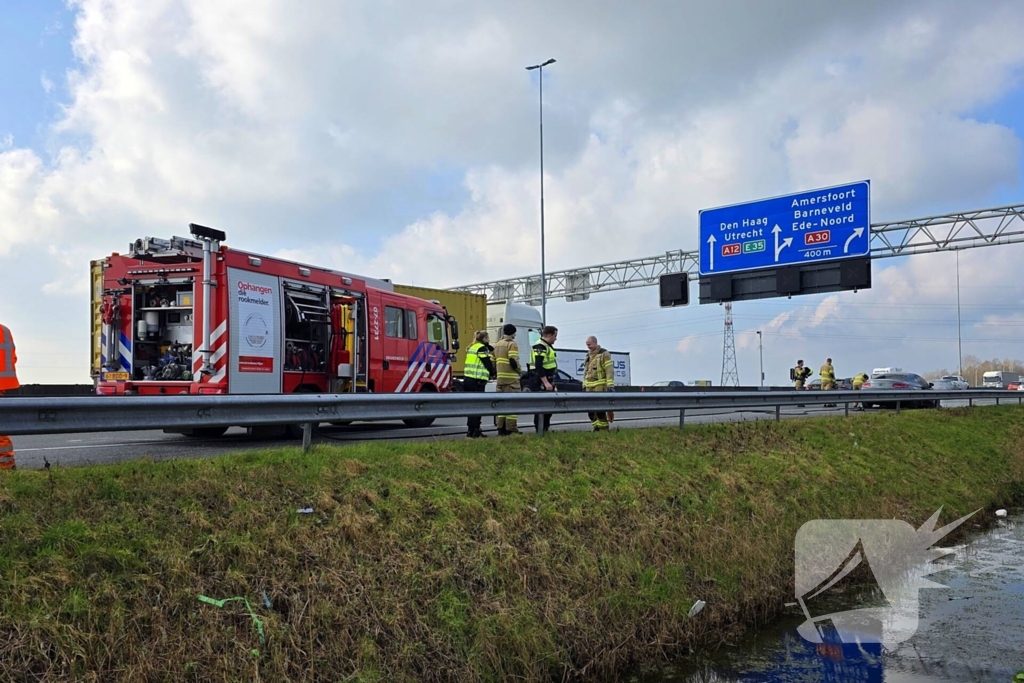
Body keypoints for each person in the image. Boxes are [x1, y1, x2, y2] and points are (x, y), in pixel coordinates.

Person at [462, 330, 496, 438]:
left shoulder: (472, 347)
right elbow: (487, 364)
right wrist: (493, 373)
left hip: (468, 379)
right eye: (488, 338)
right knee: (477, 407)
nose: (489, 340)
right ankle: (476, 430)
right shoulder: (482, 349)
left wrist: (489, 347)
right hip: (477, 381)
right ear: (485, 339)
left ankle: (470, 430)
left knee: (470, 407)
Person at [492, 324, 522, 435]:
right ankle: (511, 429)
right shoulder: (512, 344)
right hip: (511, 379)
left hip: (500, 379)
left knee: (502, 404)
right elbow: (513, 361)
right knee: (512, 404)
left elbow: (493, 362)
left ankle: (501, 428)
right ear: (513, 333)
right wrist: (519, 371)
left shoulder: (497, 344)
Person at [529, 326, 558, 434]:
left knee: (549, 407)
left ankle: (545, 428)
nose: (556, 338)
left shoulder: (547, 346)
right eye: (555, 336)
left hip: (547, 380)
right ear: (549, 335)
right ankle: (540, 430)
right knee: (542, 407)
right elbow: (538, 366)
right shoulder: (540, 346)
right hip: (539, 380)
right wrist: (546, 382)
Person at [583, 336, 614, 431]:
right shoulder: (588, 355)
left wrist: (610, 385)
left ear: (595, 343)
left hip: (600, 386)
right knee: (590, 411)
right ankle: (596, 428)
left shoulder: (604, 354)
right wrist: (584, 385)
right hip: (589, 387)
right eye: (587, 345)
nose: (588, 347)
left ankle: (604, 430)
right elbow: (586, 372)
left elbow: (609, 370)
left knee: (600, 410)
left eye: (590, 344)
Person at [0, 323, 19, 471]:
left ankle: (5, 465)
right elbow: (13, 357)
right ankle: (6, 464)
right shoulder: (4, 330)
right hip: (5, 383)